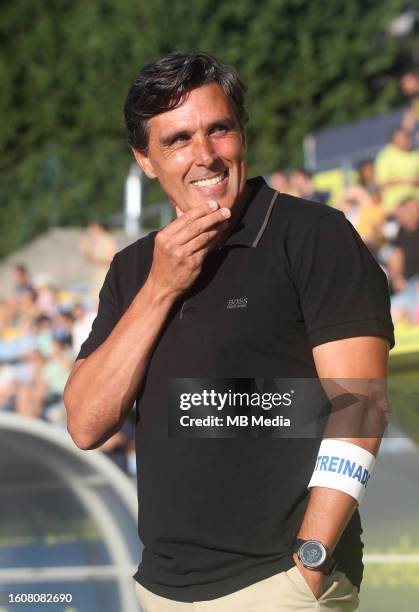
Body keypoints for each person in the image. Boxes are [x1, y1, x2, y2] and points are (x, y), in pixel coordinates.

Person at [64, 52, 394, 611]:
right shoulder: (133, 268)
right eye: (178, 140)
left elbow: (360, 406)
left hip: (279, 585)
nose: (205, 156)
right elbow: (86, 423)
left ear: (241, 132)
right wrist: (161, 287)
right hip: (161, 589)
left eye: (219, 129)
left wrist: (310, 562)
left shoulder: (314, 235)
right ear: (145, 160)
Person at [374, 127, 419, 213]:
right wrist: (406, 181)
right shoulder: (385, 156)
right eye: (405, 137)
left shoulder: (415, 153)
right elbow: (381, 182)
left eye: (408, 136)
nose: (408, 139)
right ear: (395, 139)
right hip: (395, 205)